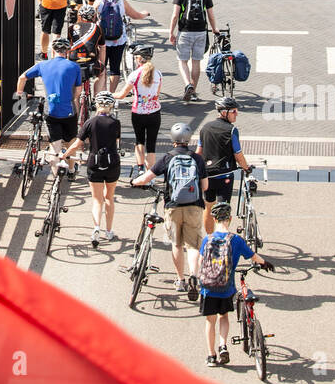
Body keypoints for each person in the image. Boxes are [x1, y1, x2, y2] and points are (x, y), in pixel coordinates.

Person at [131, 122, 207, 300]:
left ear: (173, 139)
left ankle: (180, 280)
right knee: (194, 245)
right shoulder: (197, 159)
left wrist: (135, 182)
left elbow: (147, 177)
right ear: (188, 140)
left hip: (172, 206)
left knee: (177, 244)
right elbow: (205, 186)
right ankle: (194, 276)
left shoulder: (168, 157)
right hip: (194, 206)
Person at [199, 200, 272, 367]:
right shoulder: (236, 240)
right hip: (226, 288)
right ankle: (223, 345)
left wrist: (199, 281)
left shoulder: (207, 239)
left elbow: (201, 263)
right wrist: (264, 263)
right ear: (230, 219)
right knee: (223, 316)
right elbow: (253, 256)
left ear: (215, 219)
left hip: (208, 288)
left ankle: (211, 356)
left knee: (210, 321)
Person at [16, 39, 82, 179]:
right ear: (68, 51)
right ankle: (71, 171)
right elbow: (78, 91)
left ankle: (55, 180)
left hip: (51, 110)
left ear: (53, 51)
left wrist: (21, 93)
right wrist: (72, 98)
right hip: (69, 111)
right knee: (71, 141)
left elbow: (22, 77)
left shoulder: (43, 65)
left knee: (55, 145)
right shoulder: (74, 67)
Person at [64, 91, 122, 247]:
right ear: (111, 106)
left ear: (97, 105)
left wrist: (65, 156)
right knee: (109, 197)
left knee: (97, 199)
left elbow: (77, 144)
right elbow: (117, 143)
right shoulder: (115, 123)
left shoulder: (89, 122)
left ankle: (96, 227)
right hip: (112, 163)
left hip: (94, 163)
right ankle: (109, 231)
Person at [197, 97, 253, 235]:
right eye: (234, 111)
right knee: (223, 209)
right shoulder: (231, 130)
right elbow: (238, 154)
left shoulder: (205, 128)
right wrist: (246, 168)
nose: (236, 114)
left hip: (207, 175)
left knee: (208, 207)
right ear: (224, 112)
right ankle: (221, 239)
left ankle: (210, 239)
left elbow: (198, 152)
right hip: (224, 175)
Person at [170, 0, 217, 103]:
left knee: (183, 61)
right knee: (196, 62)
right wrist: (215, 29)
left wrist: (171, 32)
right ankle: (194, 91)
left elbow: (175, 15)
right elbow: (211, 15)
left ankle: (187, 84)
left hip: (185, 31)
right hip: (201, 31)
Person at [94, 0, 150, 93]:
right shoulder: (122, 2)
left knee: (102, 67)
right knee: (115, 69)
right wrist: (144, 14)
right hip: (118, 40)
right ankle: (112, 94)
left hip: (102, 40)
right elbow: (135, 15)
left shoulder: (99, 2)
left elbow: (90, 18)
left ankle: (102, 93)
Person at [114, 44, 162, 176]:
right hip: (154, 112)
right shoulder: (158, 74)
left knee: (139, 141)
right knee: (151, 144)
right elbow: (157, 94)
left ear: (139, 59)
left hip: (138, 112)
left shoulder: (135, 75)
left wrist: (110, 94)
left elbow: (122, 95)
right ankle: (150, 173)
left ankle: (140, 169)